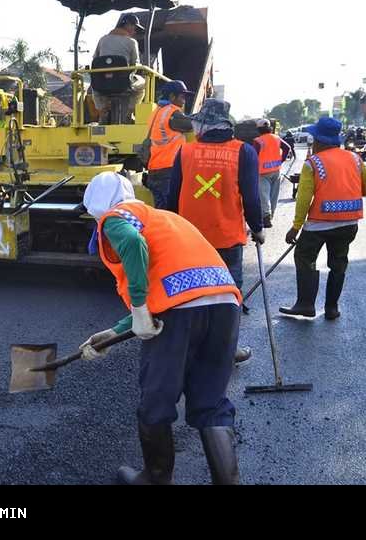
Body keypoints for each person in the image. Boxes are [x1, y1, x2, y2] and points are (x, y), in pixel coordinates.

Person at [81, 172, 242, 485]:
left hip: (180, 312)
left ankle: (155, 478)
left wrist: (140, 308)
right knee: (211, 401)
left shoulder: (115, 218)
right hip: (224, 303)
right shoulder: (164, 218)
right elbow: (169, 284)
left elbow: (131, 242)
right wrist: (115, 332)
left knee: (157, 399)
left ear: (96, 207)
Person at [167, 99, 265, 365]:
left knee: (192, 294)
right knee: (228, 296)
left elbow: (171, 197)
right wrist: (257, 228)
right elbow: (252, 198)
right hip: (227, 240)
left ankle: (190, 348)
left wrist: (169, 231)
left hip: (189, 240)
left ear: (204, 124)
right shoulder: (243, 152)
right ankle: (226, 351)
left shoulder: (185, 151)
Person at [280, 117, 366, 321]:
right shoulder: (354, 159)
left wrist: (295, 227)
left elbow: (304, 199)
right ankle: (332, 308)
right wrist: (346, 194)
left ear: (319, 140)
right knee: (338, 263)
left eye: (314, 138)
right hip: (348, 224)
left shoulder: (313, 163)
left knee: (304, 257)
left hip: (318, 225)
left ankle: (306, 304)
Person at [145, 80, 194, 209]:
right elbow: (191, 125)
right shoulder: (173, 113)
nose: (184, 101)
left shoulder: (156, 112)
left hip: (154, 168)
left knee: (160, 209)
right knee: (171, 209)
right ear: (172, 96)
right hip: (168, 169)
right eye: (182, 97)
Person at [91, 14, 147, 122]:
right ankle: (129, 114)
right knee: (144, 84)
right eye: (134, 27)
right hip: (123, 82)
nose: (135, 31)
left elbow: (95, 60)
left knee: (94, 86)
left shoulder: (103, 39)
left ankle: (102, 112)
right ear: (127, 25)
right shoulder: (132, 42)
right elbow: (135, 64)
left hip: (102, 82)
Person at [254, 119, 294, 228]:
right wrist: (281, 160)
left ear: (259, 129)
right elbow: (287, 148)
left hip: (262, 173)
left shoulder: (258, 141)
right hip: (276, 171)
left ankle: (266, 217)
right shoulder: (276, 138)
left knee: (264, 195)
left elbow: (254, 156)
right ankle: (271, 216)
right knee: (273, 196)